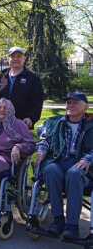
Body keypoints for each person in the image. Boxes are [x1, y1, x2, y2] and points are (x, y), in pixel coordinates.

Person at [36, 92, 93, 239]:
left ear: (85, 107)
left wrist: (88, 159)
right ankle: (58, 220)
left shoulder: (91, 124)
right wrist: (41, 151)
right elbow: (44, 139)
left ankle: (72, 226)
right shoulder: (55, 122)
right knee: (50, 170)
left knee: (74, 173)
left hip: (83, 166)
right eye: (68, 103)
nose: (70, 105)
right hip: (60, 162)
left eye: (75, 103)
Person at [0, 46, 44, 129]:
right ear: (8, 58)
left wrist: (31, 118)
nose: (15, 59)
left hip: (22, 124)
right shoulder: (0, 77)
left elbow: (37, 101)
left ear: (24, 58)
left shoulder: (32, 77)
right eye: (12, 56)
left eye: (18, 56)